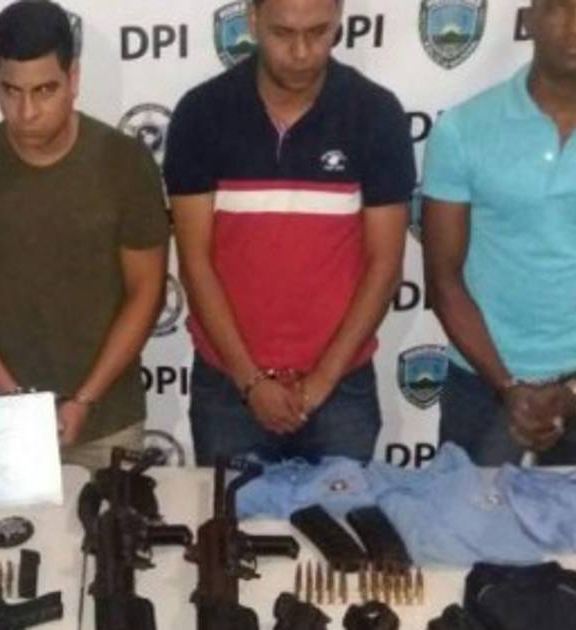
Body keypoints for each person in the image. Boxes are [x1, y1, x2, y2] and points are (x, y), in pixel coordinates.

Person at [165, 0, 415, 465]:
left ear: (339, 19)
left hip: (341, 389)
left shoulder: (376, 114)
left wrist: (321, 382)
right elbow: (194, 262)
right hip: (228, 387)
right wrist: (251, 382)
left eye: (318, 32)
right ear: (253, 20)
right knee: (232, 514)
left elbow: (384, 265)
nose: (301, 52)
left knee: (341, 515)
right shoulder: (201, 114)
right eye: (283, 33)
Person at [0, 0, 170, 470]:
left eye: (44, 90)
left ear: (73, 78)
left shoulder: (125, 163)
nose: (26, 111)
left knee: (116, 522)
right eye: (11, 91)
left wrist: (85, 399)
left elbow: (147, 292)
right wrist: (16, 402)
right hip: (4, 421)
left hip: (109, 418)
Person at [422, 0, 576, 465]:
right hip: (480, 384)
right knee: (467, 515)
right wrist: (506, 386)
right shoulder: (462, 129)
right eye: (558, 9)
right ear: (530, 20)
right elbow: (444, 279)